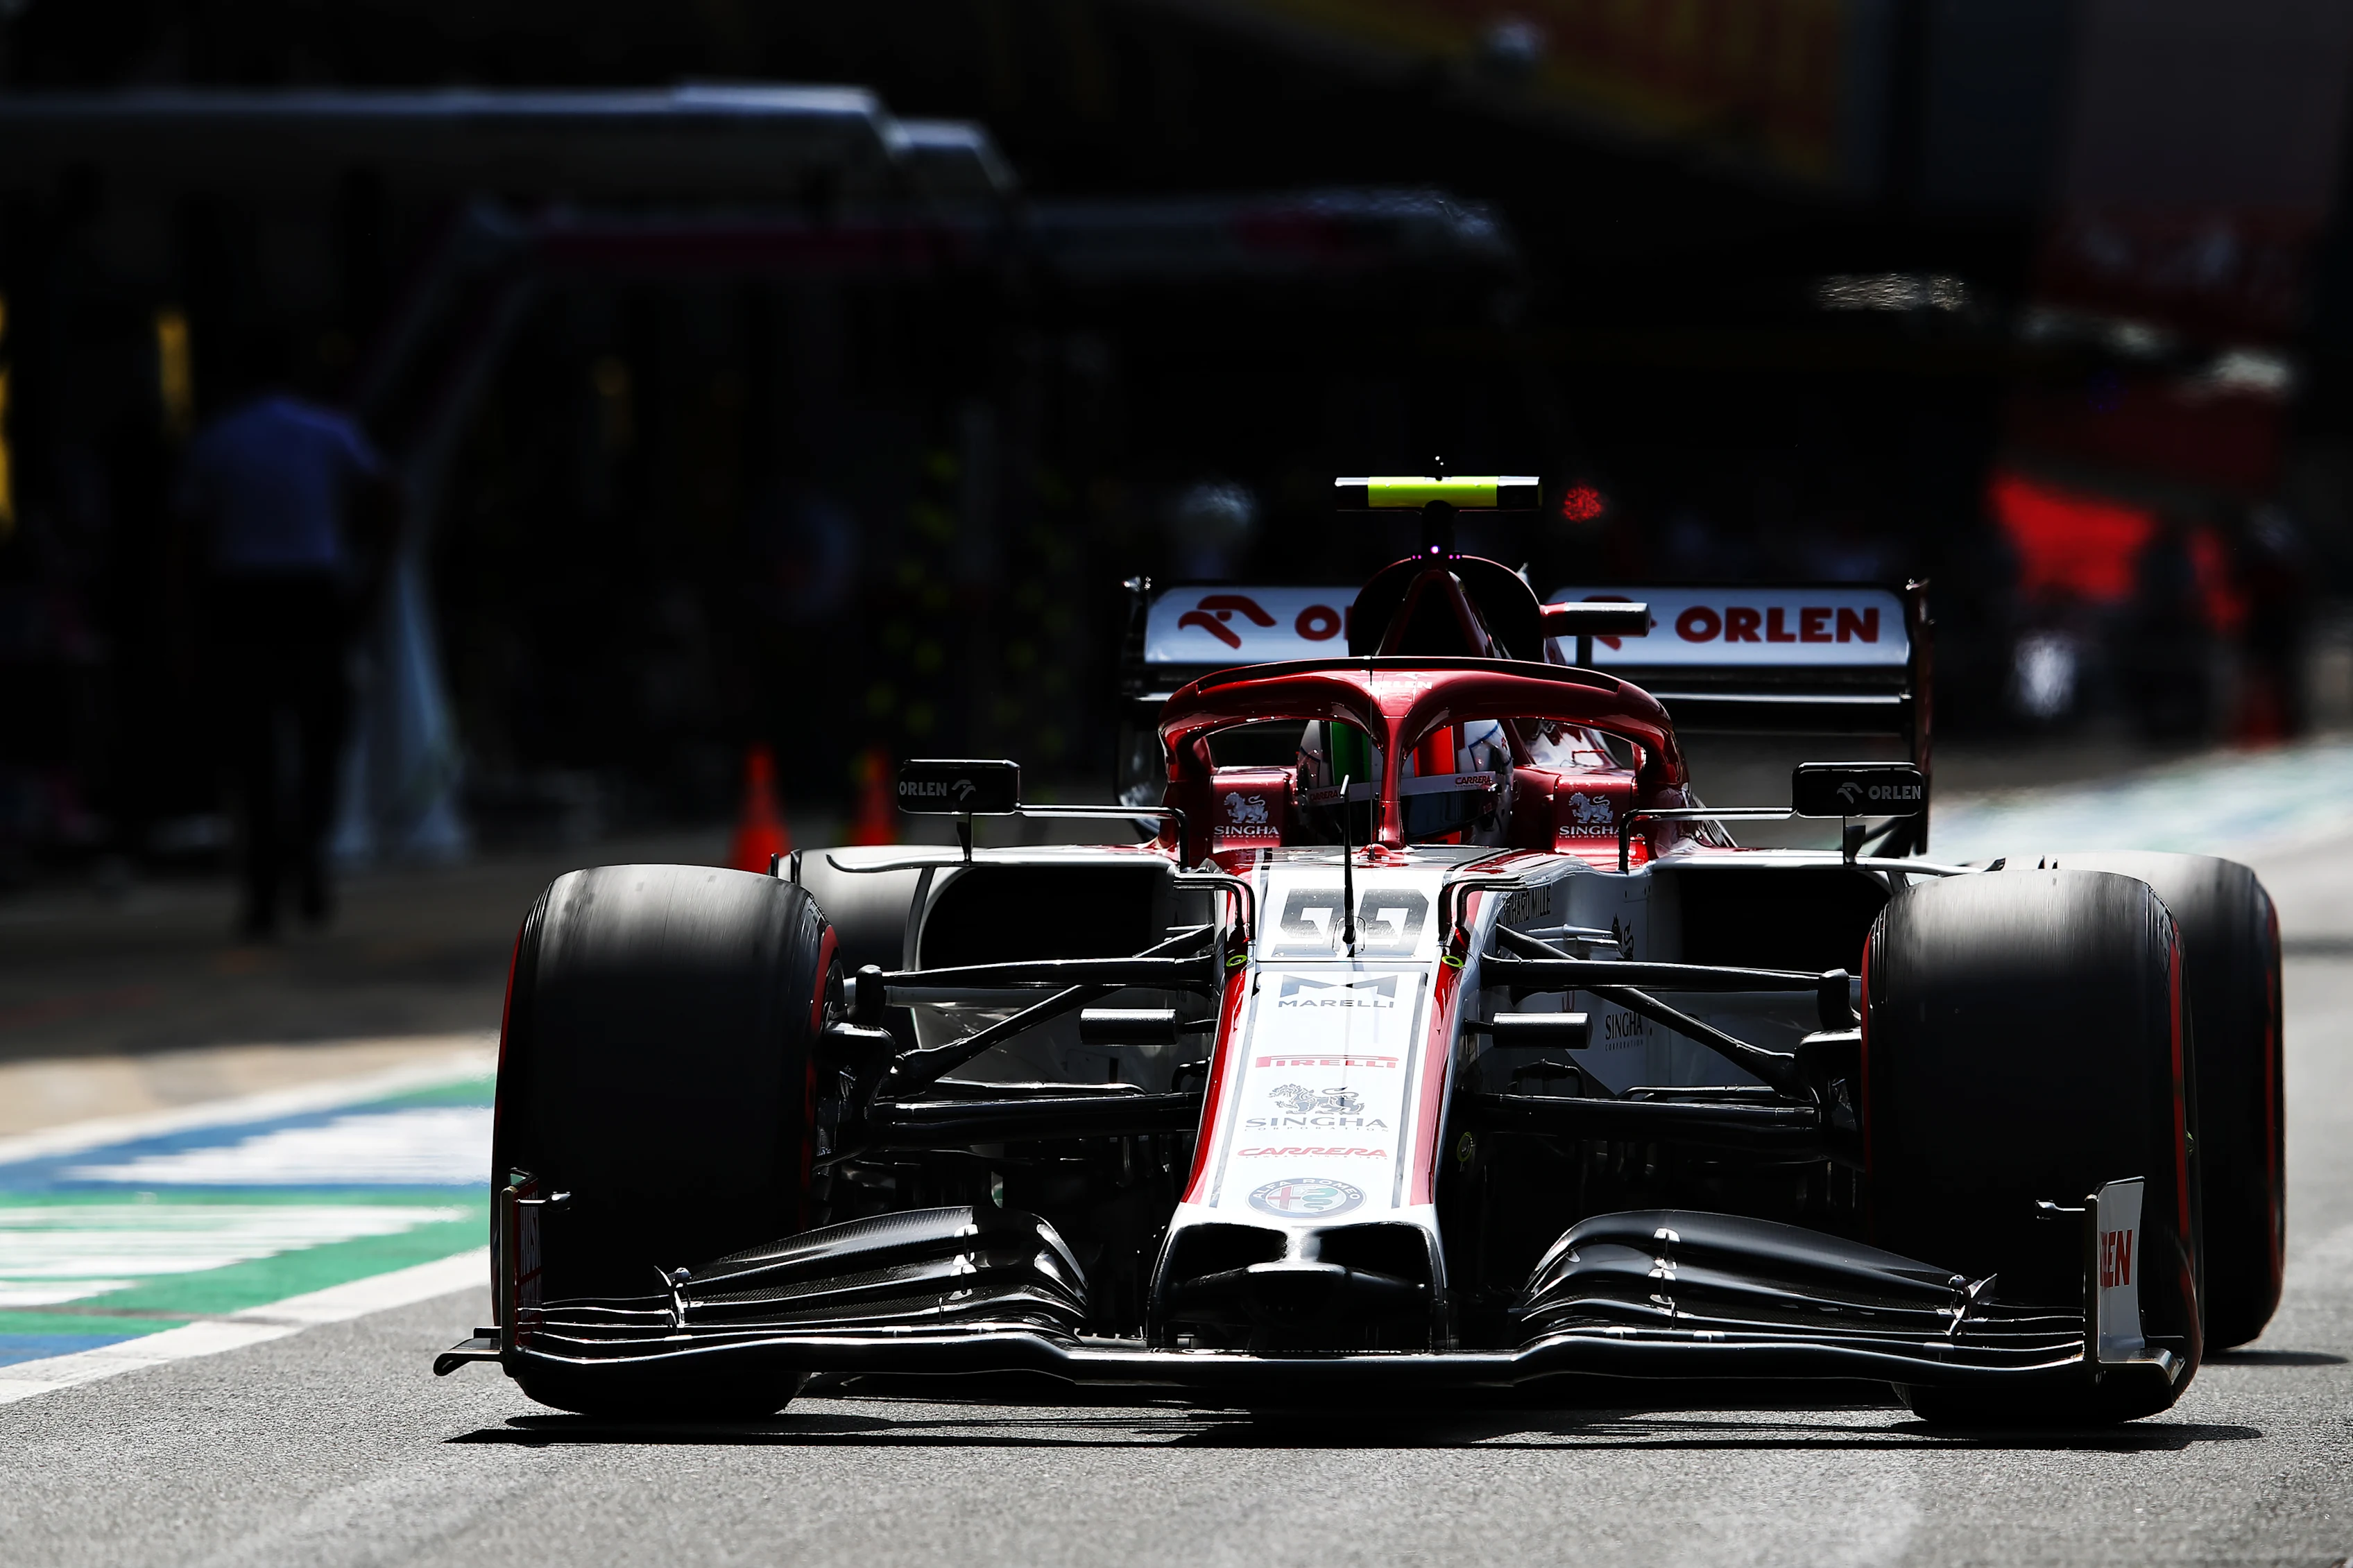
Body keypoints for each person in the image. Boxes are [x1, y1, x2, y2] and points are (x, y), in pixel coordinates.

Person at [177, 345, 397, 938]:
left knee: (253, 751)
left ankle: (265, 888)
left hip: (243, 597)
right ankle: (309, 857)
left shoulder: (218, 439)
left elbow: (189, 537)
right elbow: (385, 496)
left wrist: (194, 621)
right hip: (313, 593)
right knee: (322, 737)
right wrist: (371, 581)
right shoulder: (329, 432)